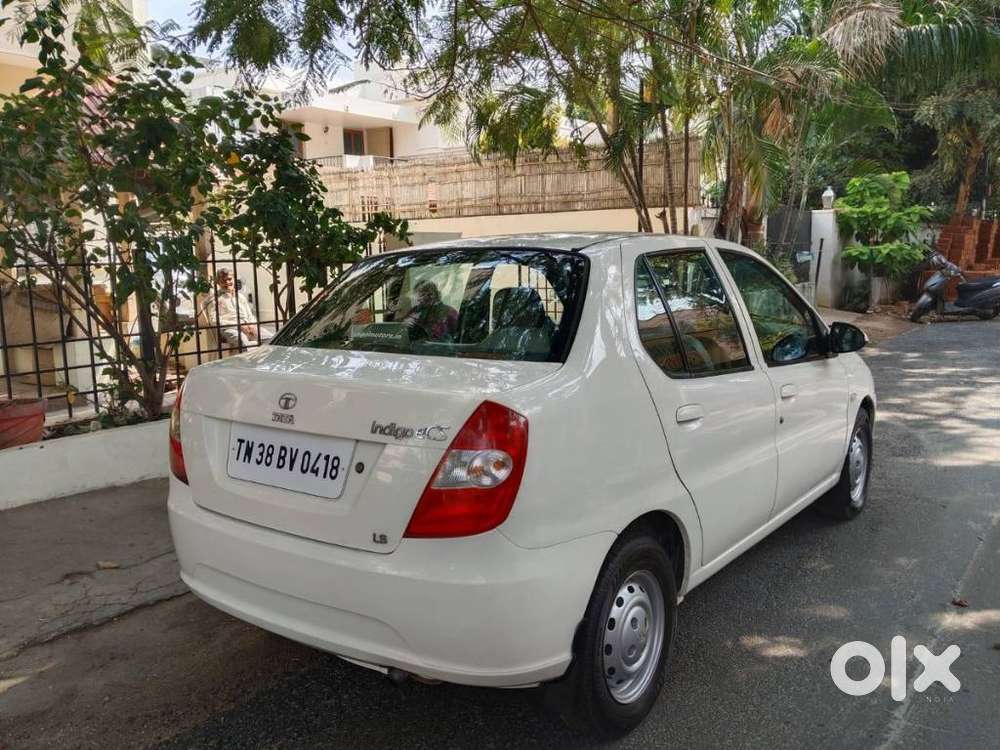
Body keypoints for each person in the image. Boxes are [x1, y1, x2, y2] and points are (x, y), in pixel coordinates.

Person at [200, 268, 274, 349]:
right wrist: (239, 326)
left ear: (234, 279)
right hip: (230, 329)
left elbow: (250, 315)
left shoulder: (241, 297)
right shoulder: (214, 299)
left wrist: (251, 325)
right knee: (243, 342)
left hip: (248, 327)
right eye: (223, 280)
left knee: (272, 339)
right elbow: (214, 321)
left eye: (229, 279)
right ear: (218, 282)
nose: (227, 282)